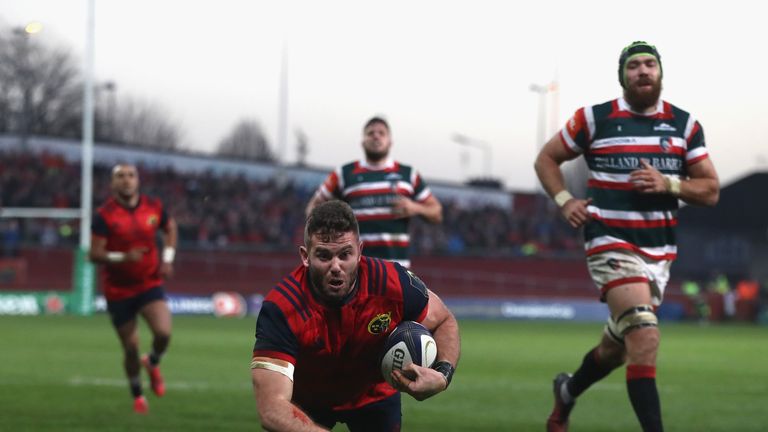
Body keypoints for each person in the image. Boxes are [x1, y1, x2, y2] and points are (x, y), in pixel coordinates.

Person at [534, 41, 719, 432]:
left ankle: (568, 391)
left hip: (659, 254)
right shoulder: (594, 119)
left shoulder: (685, 126)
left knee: (616, 349)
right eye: (633, 66)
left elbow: (710, 190)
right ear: (622, 76)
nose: (642, 71)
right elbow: (546, 158)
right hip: (609, 241)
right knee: (645, 334)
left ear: (660, 72)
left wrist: (669, 183)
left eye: (649, 64)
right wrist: (566, 200)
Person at [251, 200, 460, 431]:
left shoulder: (392, 283)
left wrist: (442, 376)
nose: (336, 266)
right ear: (305, 256)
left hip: (374, 397)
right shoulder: (282, 307)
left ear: (360, 251)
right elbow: (272, 408)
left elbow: (444, 320)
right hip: (307, 403)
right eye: (323, 256)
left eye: (345, 254)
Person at [89, 163, 178, 414]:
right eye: (120, 176)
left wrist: (168, 258)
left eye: (130, 176)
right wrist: (123, 258)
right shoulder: (104, 215)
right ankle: (138, 395)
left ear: (137, 180)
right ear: (113, 184)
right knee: (130, 347)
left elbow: (170, 228)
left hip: (149, 283)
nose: (126, 180)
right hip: (118, 290)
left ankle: (152, 362)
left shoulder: (153, 207)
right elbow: (95, 254)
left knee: (163, 333)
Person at [305, 116, 443, 268]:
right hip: (357, 270)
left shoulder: (408, 174)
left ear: (390, 141)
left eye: (381, 133)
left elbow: (436, 212)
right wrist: (331, 232)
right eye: (370, 133)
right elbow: (312, 208)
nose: (376, 136)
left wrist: (415, 208)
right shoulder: (344, 174)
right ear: (363, 141)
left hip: (397, 270)